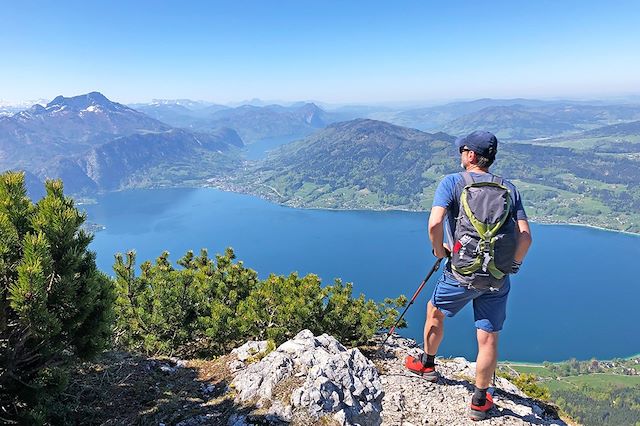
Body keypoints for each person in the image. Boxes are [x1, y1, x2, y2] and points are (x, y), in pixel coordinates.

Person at [404, 130, 532, 421]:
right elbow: (525, 238)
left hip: (460, 273)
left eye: (463, 150)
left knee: (434, 311)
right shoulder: (509, 189)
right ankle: (480, 400)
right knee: (488, 338)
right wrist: (511, 266)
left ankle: (427, 365)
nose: (461, 154)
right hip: (497, 278)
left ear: (471, 155)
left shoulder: (452, 183)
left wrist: (438, 250)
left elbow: (435, 221)